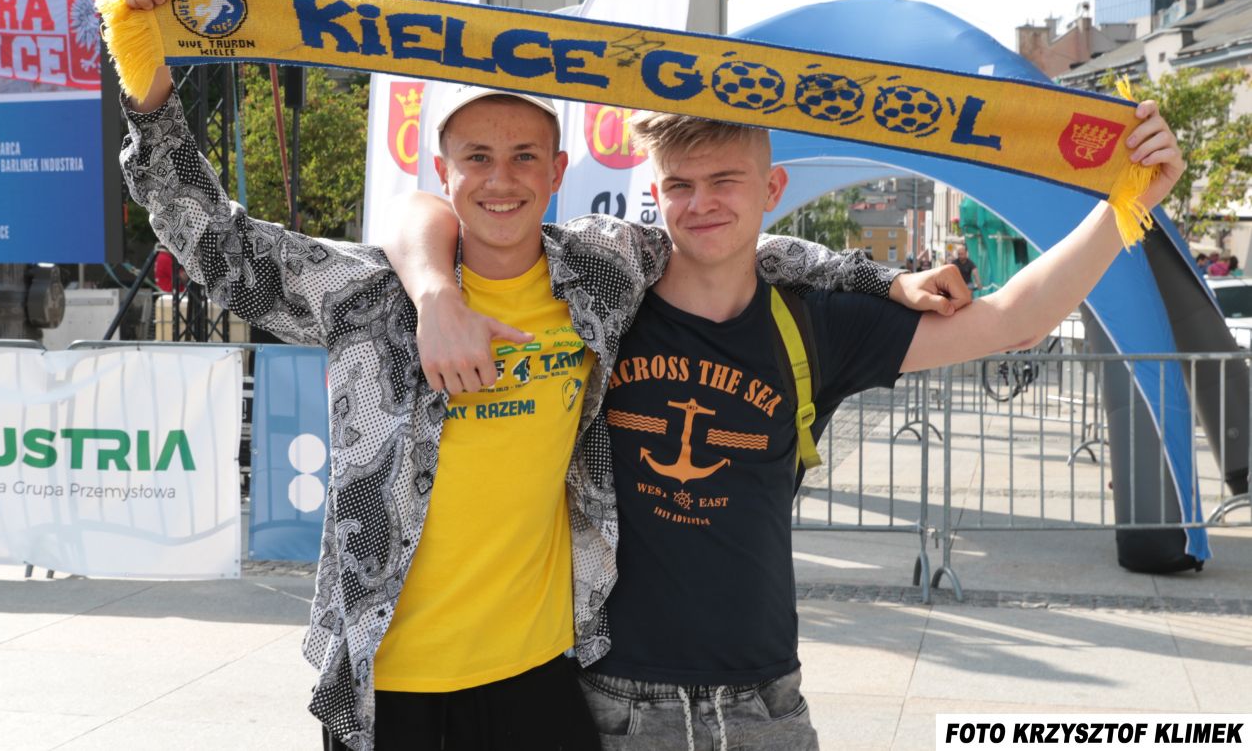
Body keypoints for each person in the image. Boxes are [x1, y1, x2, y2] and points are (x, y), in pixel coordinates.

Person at [118, 0, 968, 751]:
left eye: (525, 156)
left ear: (558, 170)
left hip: (543, 680)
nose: (503, 179)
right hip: (388, 689)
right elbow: (218, 246)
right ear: (444, 172)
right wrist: (146, 76)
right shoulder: (370, 294)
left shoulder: (600, 275)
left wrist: (880, 276)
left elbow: (729, 239)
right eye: (478, 159)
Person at [389, 104, 1183, 749]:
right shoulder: (601, 304)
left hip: (763, 703)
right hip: (614, 702)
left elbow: (1013, 319)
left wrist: (1128, 203)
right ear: (656, 193)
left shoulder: (815, 323)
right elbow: (423, 209)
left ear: (771, 187)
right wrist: (434, 291)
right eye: (680, 185)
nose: (701, 203)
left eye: (724, 181)